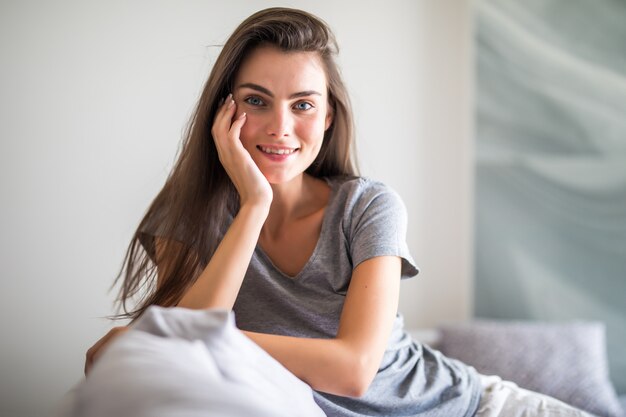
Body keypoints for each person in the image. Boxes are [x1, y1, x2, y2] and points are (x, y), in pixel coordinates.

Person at [85, 7, 591, 417]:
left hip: (470, 408)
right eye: (256, 101)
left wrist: (185, 338)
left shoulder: (367, 207)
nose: (280, 127)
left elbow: (354, 369)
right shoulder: (187, 215)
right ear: (225, 112)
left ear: (327, 116)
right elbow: (185, 357)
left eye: (302, 105)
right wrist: (254, 205)